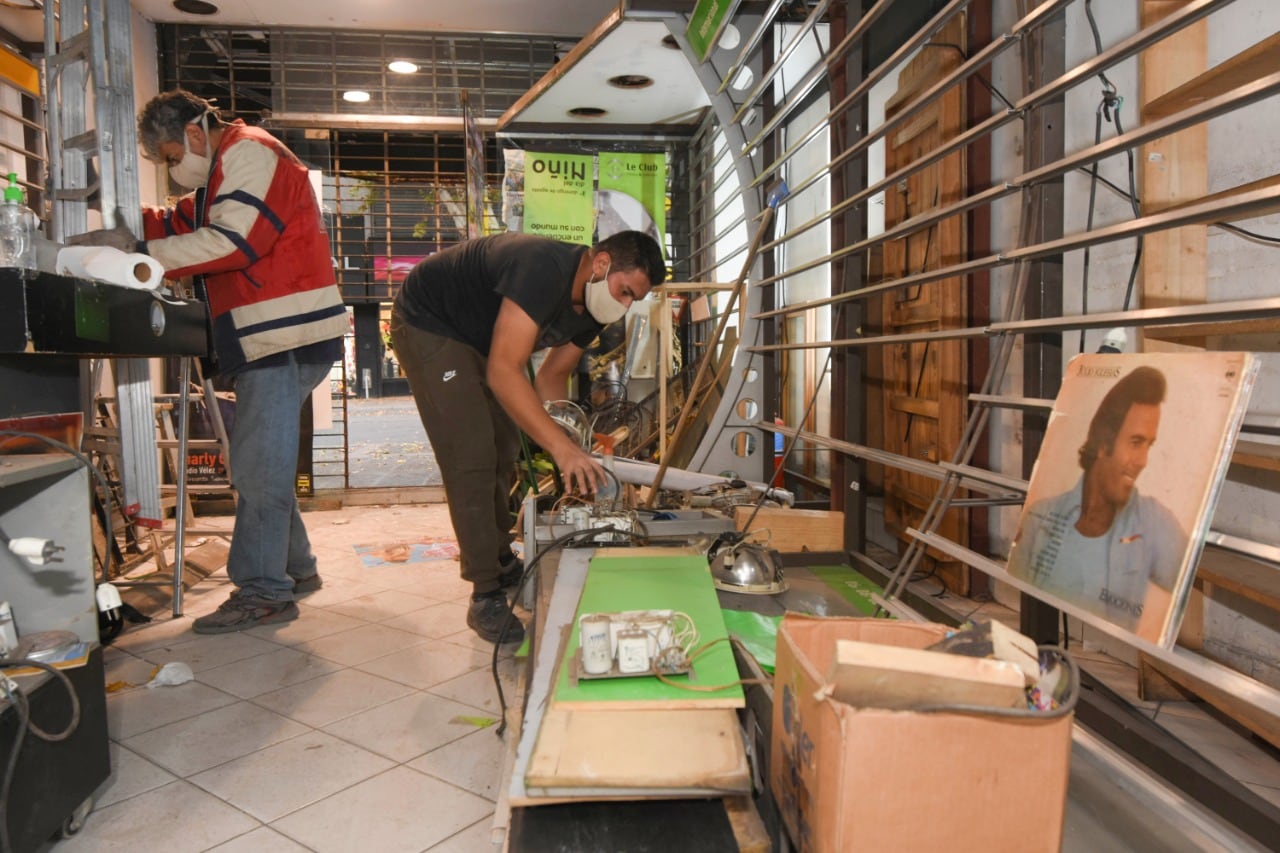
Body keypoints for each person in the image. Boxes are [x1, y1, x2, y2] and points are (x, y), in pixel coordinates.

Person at [73, 90, 348, 634]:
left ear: (196, 133)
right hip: (273, 337)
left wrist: (135, 258)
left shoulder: (249, 153)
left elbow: (232, 240)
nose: (177, 169)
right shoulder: (227, 169)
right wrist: (125, 223)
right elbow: (181, 222)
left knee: (256, 471)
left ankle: (264, 591)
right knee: (262, 463)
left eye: (174, 157)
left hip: (279, 338)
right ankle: (296, 569)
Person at [391, 230, 665, 643]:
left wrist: (572, 443)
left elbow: (551, 379)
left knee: (504, 446)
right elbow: (505, 370)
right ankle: (485, 593)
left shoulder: (595, 308)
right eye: (625, 292)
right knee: (472, 454)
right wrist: (560, 449)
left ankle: (500, 557)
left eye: (634, 300)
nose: (625, 306)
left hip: (481, 339)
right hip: (429, 320)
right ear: (602, 262)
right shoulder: (541, 267)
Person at [1007, 365, 1188, 639]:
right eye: (1136, 442)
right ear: (1103, 443)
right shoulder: (1039, 517)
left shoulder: (1155, 522)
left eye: (1148, 445)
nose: (1143, 461)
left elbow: (1189, 588)